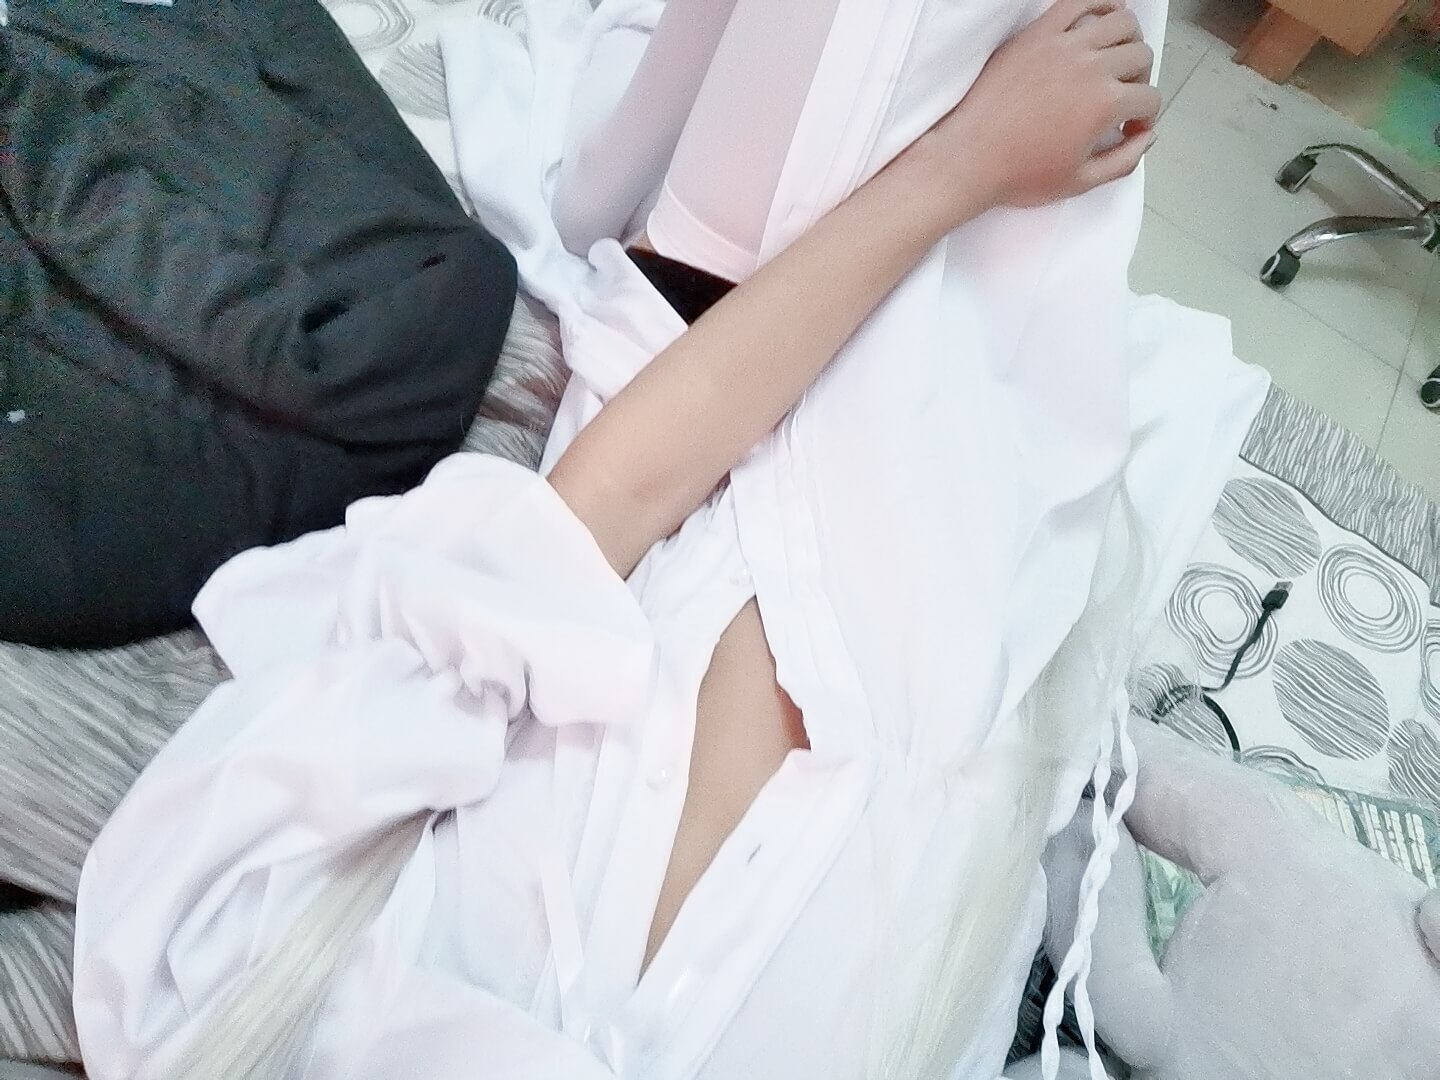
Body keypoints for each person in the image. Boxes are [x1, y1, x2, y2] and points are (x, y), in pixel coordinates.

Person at [55, 1, 1265, 1079]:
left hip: (714, 343)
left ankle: (615, 166)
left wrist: (963, 165)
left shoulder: (211, 996)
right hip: (981, 535)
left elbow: (605, 507)